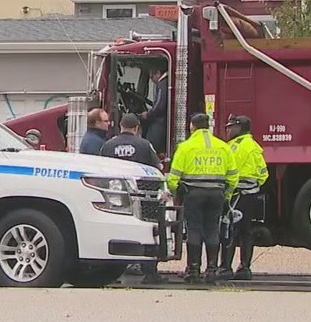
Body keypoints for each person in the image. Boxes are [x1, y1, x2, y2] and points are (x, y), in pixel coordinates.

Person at [166, 113, 238, 284]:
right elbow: (233, 176)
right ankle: (212, 269)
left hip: (193, 193)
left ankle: (193, 269)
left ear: (192, 126)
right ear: (209, 126)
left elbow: (173, 178)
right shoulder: (223, 147)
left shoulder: (185, 147)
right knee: (213, 230)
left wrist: (177, 192)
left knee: (194, 230)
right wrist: (226, 195)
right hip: (216, 194)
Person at [100, 113, 166, 284]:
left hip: (115, 197)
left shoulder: (108, 145)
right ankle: (150, 272)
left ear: (120, 126)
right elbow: (158, 166)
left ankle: (113, 273)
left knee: (115, 232)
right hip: (143, 198)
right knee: (147, 231)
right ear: (137, 128)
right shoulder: (144, 145)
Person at [217, 114, 268, 280]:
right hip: (252, 194)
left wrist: (227, 192)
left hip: (237, 194)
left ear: (239, 128)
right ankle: (245, 268)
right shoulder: (254, 145)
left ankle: (225, 268)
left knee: (229, 230)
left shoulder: (236, 147)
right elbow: (263, 173)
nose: (228, 130)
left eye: (231, 127)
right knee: (246, 232)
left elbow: (230, 171)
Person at [140, 62, 169, 155]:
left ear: (158, 73)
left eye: (152, 77)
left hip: (160, 121)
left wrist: (148, 115)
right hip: (163, 120)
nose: (152, 80)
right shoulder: (166, 82)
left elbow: (160, 104)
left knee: (152, 143)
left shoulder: (162, 83)